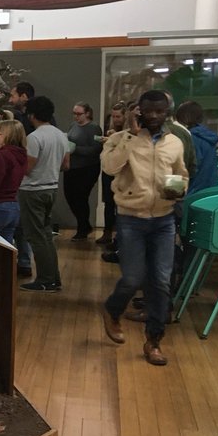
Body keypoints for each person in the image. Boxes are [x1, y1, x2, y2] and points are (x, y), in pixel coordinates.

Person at [99, 90, 189, 366]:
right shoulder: (119, 139)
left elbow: (181, 173)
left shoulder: (174, 142)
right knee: (133, 277)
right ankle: (113, 309)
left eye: (159, 111)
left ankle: (154, 341)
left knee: (161, 281)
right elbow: (110, 168)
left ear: (167, 113)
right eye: (147, 111)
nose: (153, 116)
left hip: (164, 219)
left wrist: (179, 189)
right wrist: (130, 135)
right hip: (131, 219)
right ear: (137, 111)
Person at [17, 96, 69, 292]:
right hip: (51, 188)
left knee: (36, 237)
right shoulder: (60, 135)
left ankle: (45, 280)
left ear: (31, 115)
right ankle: (53, 278)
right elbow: (66, 165)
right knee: (46, 235)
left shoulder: (34, 137)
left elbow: (28, 168)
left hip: (33, 190)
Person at [7, 82, 36, 274]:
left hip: (26, 184)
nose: (10, 100)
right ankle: (23, 261)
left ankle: (20, 262)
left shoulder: (28, 128)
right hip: (26, 182)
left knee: (20, 225)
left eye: (13, 95)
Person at [63, 101, 101, 240]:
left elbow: (96, 149)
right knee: (70, 196)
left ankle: (82, 228)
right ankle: (84, 224)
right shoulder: (73, 125)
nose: (76, 117)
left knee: (80, 198)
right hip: (72, 167)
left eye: (79, 114)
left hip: (87, 168)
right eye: (74, 113)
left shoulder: (94, 128)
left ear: (87, 113)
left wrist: (75, 149)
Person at [98, 102, 128, 247]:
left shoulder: (128, 133)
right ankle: (107, 232)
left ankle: (119, 236)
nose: (116, 120)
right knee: (108, 203)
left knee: (120, 204)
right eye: (114, 116)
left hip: (121, 172)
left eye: (118, 116)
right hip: (108, 171)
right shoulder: (111, 131)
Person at [176, 100, 218, 195]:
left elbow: (190, 167)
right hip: (209, 189)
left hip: (193, 192)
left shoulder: (191, 138)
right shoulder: (206, 135)